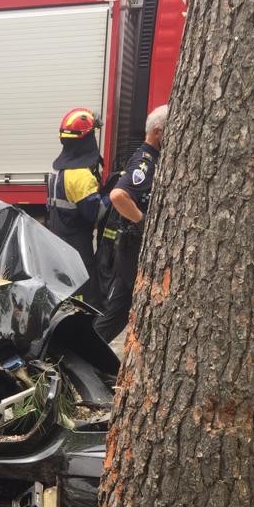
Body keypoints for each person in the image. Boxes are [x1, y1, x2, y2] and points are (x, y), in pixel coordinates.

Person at [94, 104, 169, 342]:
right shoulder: (145, 162)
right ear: (157, 132)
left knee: (123, 311)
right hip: (132, 249)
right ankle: (83, 352)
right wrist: (143, 222)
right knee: (117, 312)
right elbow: (118, 196)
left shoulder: (156, 158)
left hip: (135, 249)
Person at [47, 108, 109, 308]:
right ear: (86, 140)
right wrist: (112, 193)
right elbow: (95, 213)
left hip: (58, 241)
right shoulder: (80, 174)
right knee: (86, 296)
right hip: (78, 249)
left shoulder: (57, 169)